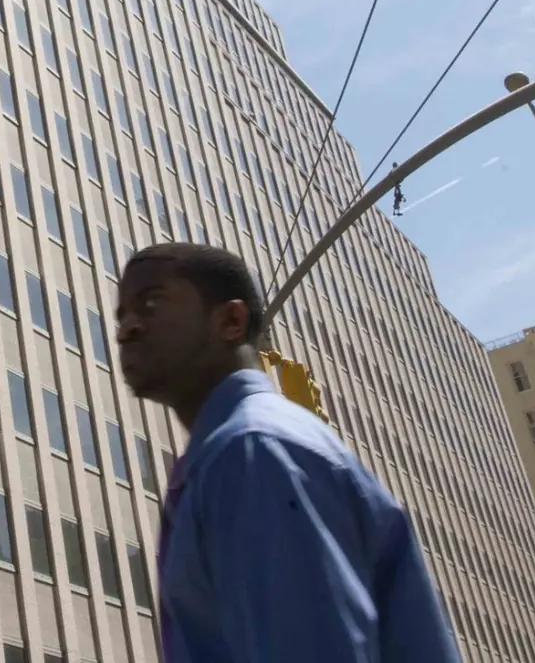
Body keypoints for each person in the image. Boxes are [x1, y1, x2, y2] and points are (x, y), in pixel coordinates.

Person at [115, 242, 461, 662]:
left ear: (230, 320)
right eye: (121, 314)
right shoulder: (237, 454)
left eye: (151, 302)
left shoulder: (254, 453)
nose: (126, 327)